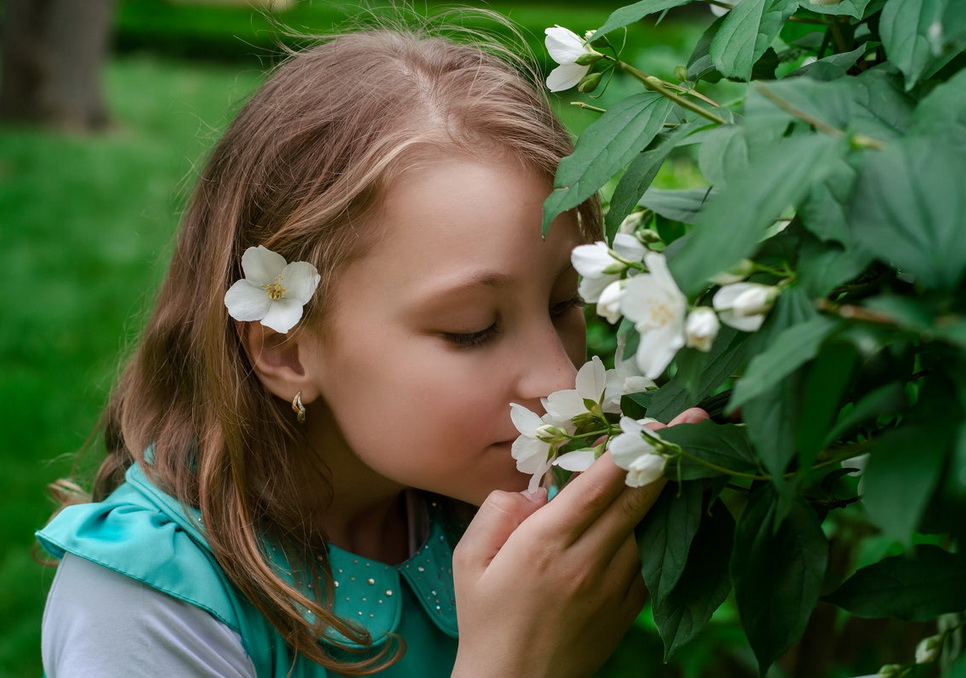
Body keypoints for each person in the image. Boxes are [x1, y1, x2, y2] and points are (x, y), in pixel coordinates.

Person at [37, 13, 707, 677]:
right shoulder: (147, 608)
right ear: (286, 349)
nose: (557, 378)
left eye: (564, 304)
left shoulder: (499, 520)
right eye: (472, 327)